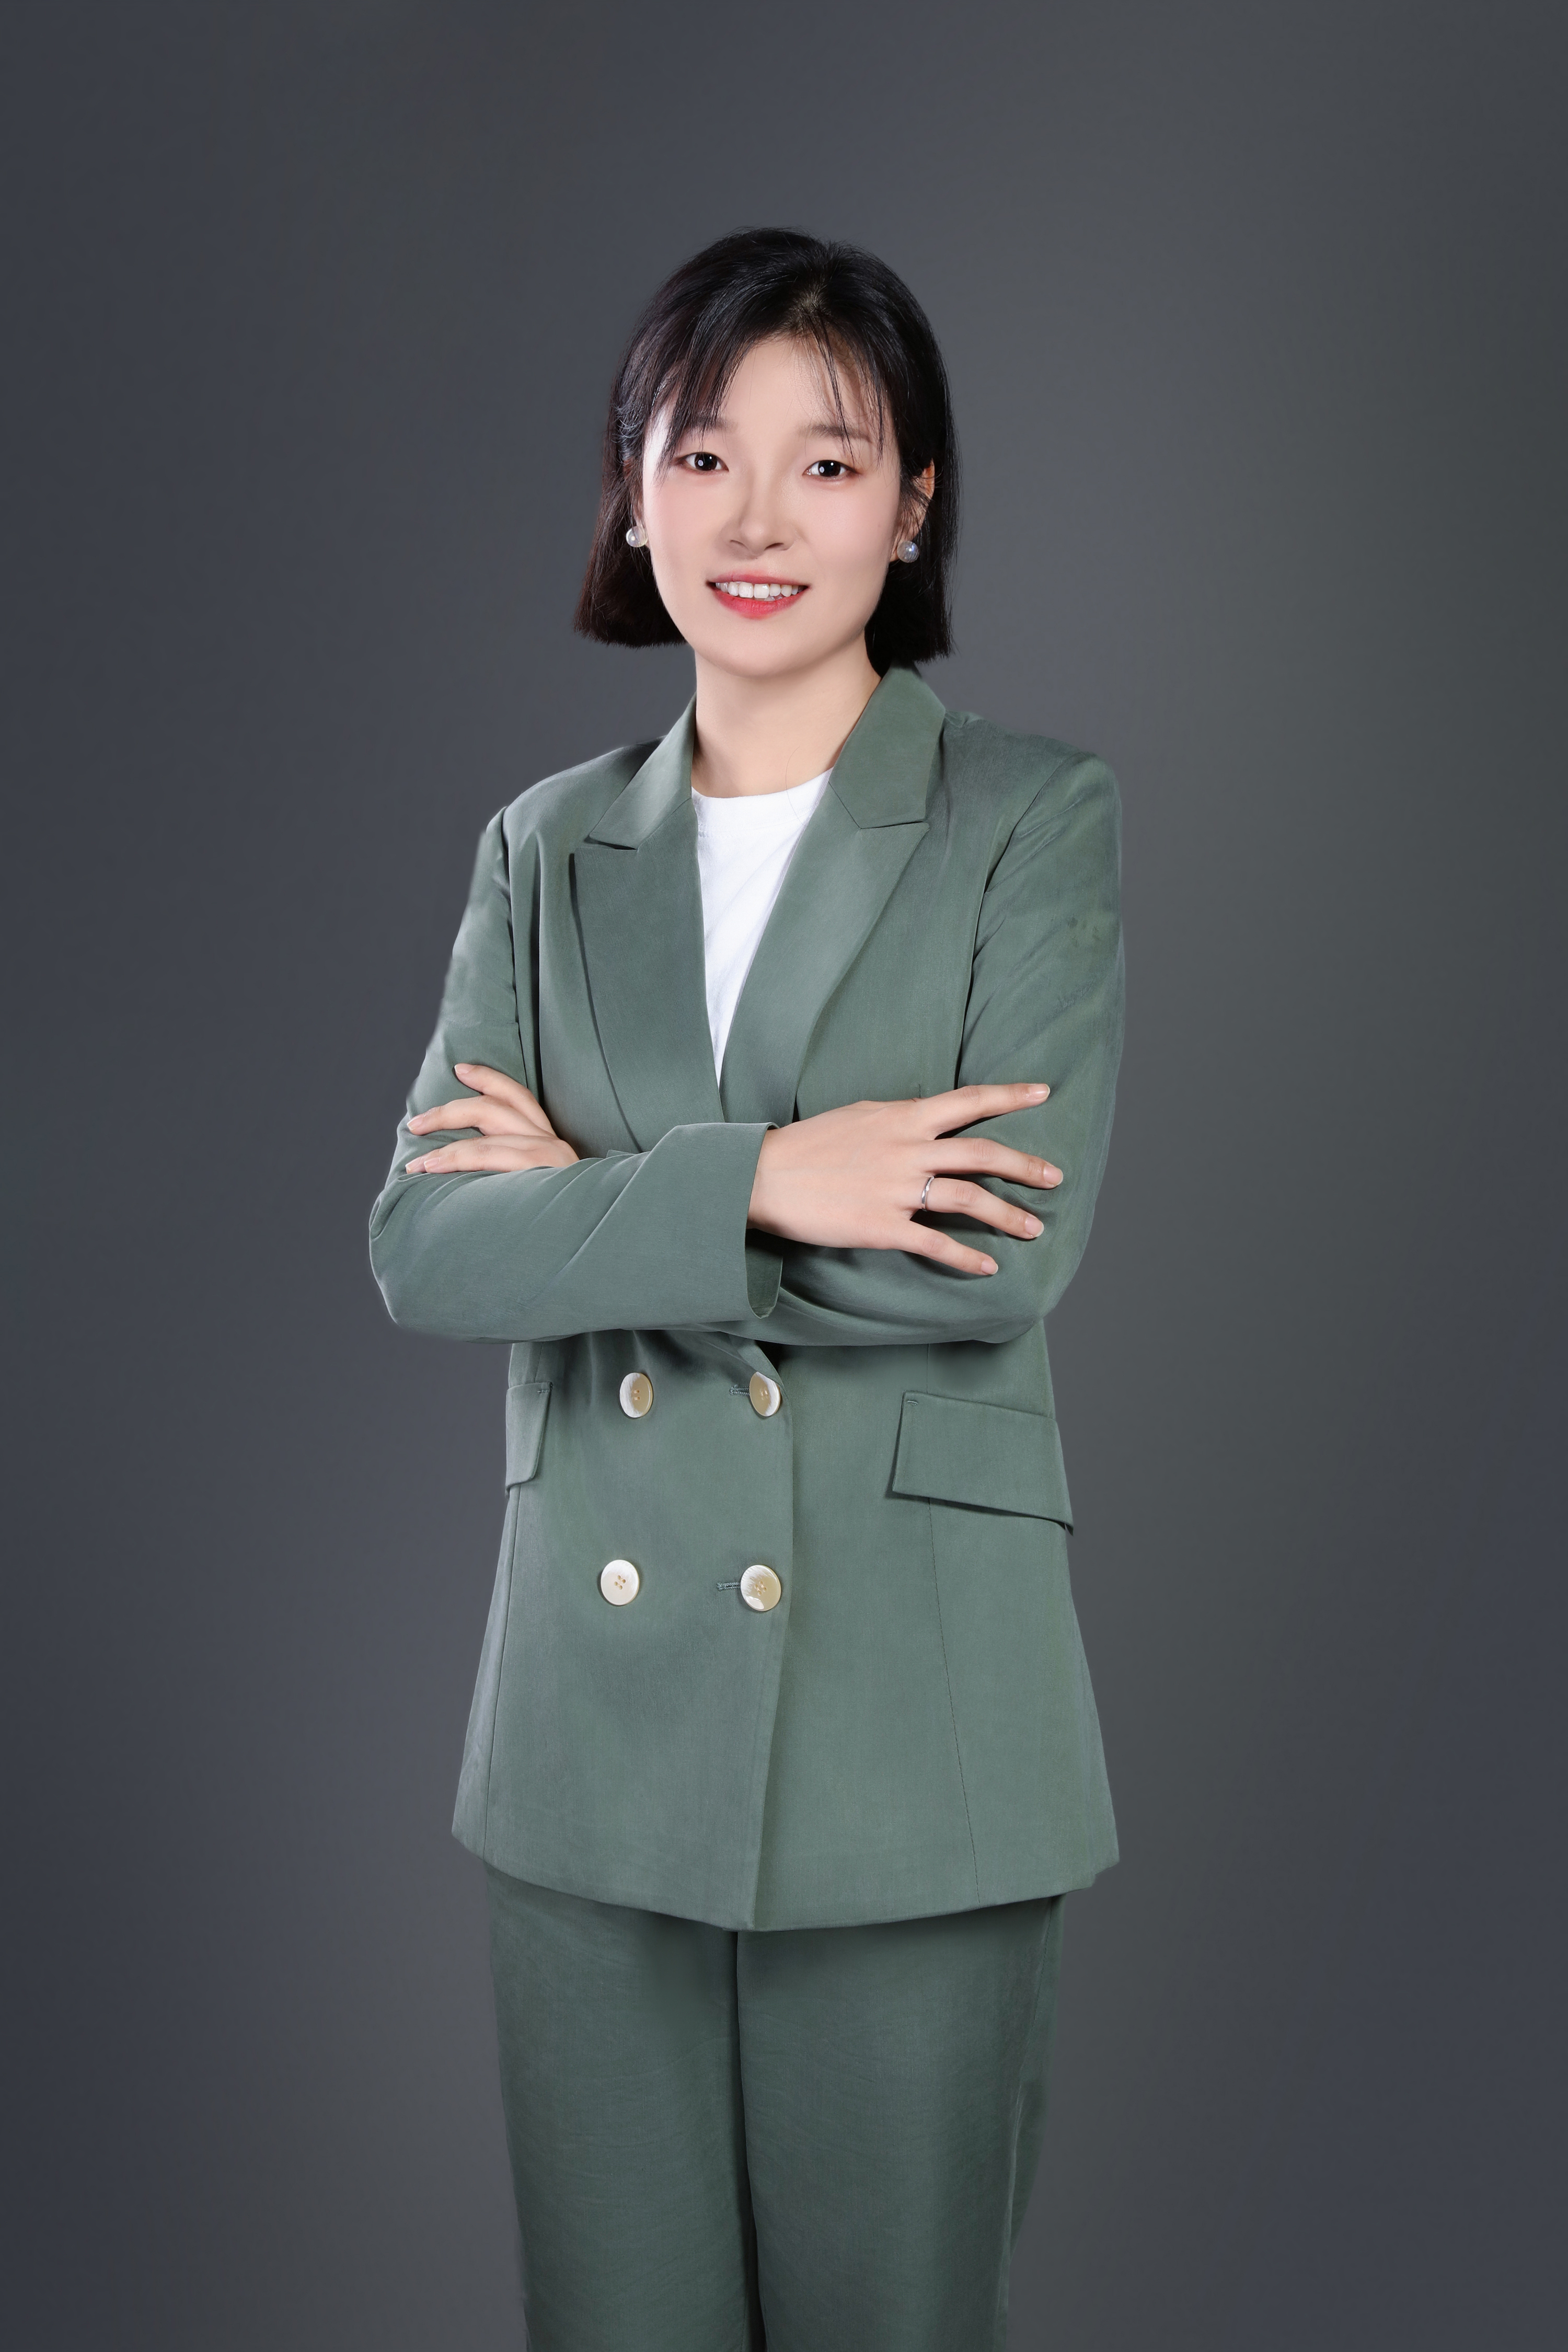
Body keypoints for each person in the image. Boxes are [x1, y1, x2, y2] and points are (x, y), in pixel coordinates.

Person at [370, 227, 1123, 2352]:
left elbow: (998, 1249)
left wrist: (593, 1213)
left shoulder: (1025, 818)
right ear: (632, 495)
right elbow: (426, 1245)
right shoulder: (544, 848)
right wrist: (782, 1178)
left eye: (829, 461)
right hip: (590, 1754)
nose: (759, 519)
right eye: (702, 456)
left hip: (913, 1740)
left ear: (916, 505)